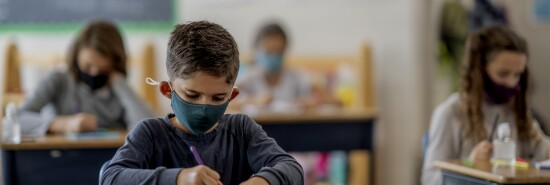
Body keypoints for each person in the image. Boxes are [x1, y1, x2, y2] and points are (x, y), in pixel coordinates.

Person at [101, 21, 304, 185]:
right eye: (192, 95)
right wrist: (180, 178)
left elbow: (291, 168)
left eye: (217, 98)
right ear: (167, 90)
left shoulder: (241, 131)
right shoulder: (151, 134)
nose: (204, 108)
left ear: (232, 96)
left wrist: (260, 182)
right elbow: (110, 177)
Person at [422, 25, 550, 184]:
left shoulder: (516, 110)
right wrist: (468, 165)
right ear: (480, 71)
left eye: (518, 75)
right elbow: (429, 179)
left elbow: (542, 149)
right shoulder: (450, 112)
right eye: (503, 74)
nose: (511, 83)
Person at [18, 20, 154, 136]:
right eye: (87, 66)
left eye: (103, 69)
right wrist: (63, 124)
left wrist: (122, 86)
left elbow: (150, 129)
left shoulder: (118, 89)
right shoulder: (58, 81)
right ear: (76, 56)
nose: (94, 73)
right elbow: (17, 119)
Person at [235, 23, 312, 113]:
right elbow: (226, 101)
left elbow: (320, 98)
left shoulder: (296, 77)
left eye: (277, 51)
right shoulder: (247, 78)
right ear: (257, 50)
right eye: (268, 51)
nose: (273, 57)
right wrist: (254, 101)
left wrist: (307, 102)